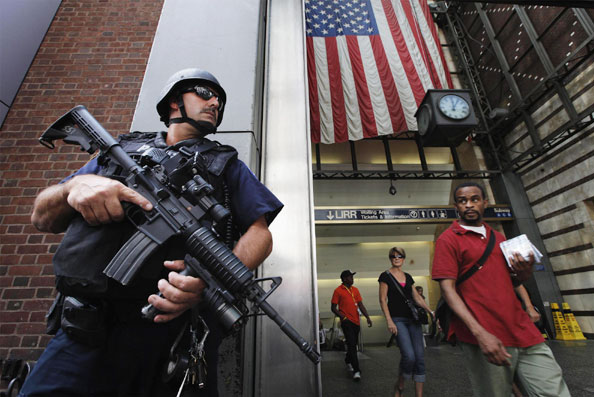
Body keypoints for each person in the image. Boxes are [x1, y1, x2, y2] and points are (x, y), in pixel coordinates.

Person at [20, 68, 283, 397]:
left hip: (171, 338)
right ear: (174, 102)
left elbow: (260, 233)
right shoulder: (119, 152)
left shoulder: (225, 164)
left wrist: (211, 281)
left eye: (220, 99)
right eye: (204, 92)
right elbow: (42, 218)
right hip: (85, 331)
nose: (215, 102)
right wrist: (75, 186)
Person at [432, 182, 570, 397]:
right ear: (456, 206)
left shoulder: (499, 238)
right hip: (484, 333)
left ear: (485, 202)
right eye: (462, 201)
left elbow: (514, 281)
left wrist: (525, 271)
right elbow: (447, 290)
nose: (469, 205)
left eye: (474, 199)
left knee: (554, 391)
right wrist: (480, 334)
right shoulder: (448, 240)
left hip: (523, 330)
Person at [379, 247, 434, 397]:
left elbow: (416, 298)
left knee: (419, 358)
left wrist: (430, 311)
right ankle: (400, 383)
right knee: (409, 356)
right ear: (390, 258)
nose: (396, 258)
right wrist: (389, 320)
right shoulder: (385, 276)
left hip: (413, 320)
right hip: (398, 320)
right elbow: (383, 299)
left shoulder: (408, 277)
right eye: (393, 256)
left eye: (399, 256)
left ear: (403, 258)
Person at [331, 269, 373, 381]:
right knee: (352, 345)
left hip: (356, 321)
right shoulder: (338, 291)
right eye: (350, 277)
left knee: (353, 344)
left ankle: (347, 360)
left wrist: (367, 317)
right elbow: (333, 308)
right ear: (344, 279)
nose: (352, 279)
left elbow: (360, 304)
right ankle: (357, 370)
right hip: (346, 322)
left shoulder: (355, 290)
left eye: (352, 277)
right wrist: (343, 317)